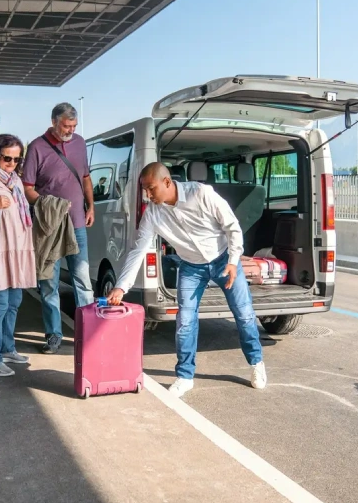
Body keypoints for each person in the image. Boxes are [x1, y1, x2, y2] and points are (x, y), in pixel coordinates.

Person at [106, 162, 267, 398]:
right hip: (191, 267)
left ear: (167, 182)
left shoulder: (201, 194)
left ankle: (256, 364)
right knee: (185, 321)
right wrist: (121, 286)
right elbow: (138, 250)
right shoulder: (153, 213)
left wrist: (233, 261)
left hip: (224, 260)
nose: (148, 195)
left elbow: (232, 226)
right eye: (145, 190)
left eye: (151, 189)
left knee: (244, 314)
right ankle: (184, 376)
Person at [22, 102, 95, 354]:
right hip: (49, 227)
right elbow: (27, 187)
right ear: (54, 122)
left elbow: (85, 177)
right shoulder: (36, 148)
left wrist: (90, 206)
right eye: (66, 126)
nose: (70, 130)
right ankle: (53, 335)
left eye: (74, 126)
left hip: (76, 223)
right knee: (49, 284)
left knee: (83, 280)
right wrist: (46, 204)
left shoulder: (80, 143)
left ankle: (90, 333)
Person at [0, 134, 36, 377]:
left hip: (18, 248)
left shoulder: (15, 180)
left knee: (14, 303)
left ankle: (8, 348)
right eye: (7, 158)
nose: (11, 163)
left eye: (16, 159)